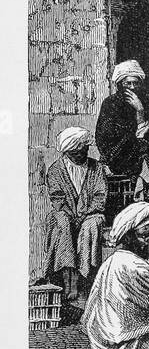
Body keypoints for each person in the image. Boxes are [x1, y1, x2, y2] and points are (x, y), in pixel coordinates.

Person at [81, 201, 149, 349]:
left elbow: (87, 316)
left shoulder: (112, 261)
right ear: (128, 237)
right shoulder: (135, 268)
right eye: (145, 235)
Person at [95, 60, 149, 217]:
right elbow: (105, 137)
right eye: (127, 83)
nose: (132, 87)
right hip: (118, 153)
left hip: (147, 152)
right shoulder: (110, 104)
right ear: (119, 84)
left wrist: (141, 112)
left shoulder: (148, 102)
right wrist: (135, 135)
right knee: (144, 157)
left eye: (135, 83)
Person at [43, 127, 108, 314]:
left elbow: (100, 196)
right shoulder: (56, 170)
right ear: (69, 151)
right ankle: (68, 282)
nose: (82, 153)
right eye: (77, 151)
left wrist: (85, 213)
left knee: (92, 225)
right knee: (60, 222)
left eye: (85, 149)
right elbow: (57, 199)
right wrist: (71, 215)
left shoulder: (96, 168)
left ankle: (83, 285)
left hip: (90, 214)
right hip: (67, 214)